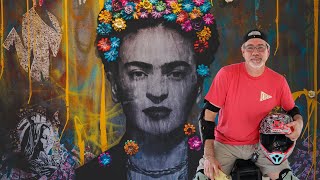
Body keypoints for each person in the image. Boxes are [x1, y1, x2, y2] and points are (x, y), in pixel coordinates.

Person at [76, 0, 219, 179]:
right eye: (139, 74)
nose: (157, 92)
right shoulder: (89, 176)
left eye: (175, 73)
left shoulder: (222, 170)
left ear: (198, 84)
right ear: (114, 84)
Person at [194, 29, 304, 180]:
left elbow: (292, 109)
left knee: (286, 177)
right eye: (250, 47)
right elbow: (207, 116)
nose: (255, 52)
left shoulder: (278, 81)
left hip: (262, 145)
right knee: (204, 177)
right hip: (225, 143)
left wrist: (298, 123)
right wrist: (209, 156)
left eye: (260, 47)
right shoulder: (226, 75)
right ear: (243, 51)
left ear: (268, 51)